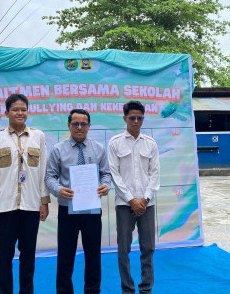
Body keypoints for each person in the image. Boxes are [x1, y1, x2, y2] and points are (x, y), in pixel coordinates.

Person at [0, 93, 50, 294]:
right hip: (5, 207)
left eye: (23, 109)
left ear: (28, 112)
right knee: (4, 256)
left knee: (28, 256)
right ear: (6, 113)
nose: (20, 113)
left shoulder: (38, 137)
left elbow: (43, 171)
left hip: (31, 206)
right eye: (15, 110)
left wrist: (44, 202)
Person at [45, 109, 111, 294]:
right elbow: (49, 177)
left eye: (83, 124)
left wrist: (106, 185)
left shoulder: (99, 148)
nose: (79, 127)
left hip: (92, 210)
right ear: (69, 126)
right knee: (65, 256)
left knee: (93, 255)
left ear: (89, 126)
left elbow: (106, 173)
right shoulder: (58, 149)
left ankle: (93, 291)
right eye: (75, 124)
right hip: (67, 210)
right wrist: (59, 190)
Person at [108, 100, 160, 294]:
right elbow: (114, 174)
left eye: (139, 118)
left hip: (147, 204)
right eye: (132, 118)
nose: (136, 121)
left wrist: (144, 200)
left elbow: (155, 174)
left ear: (143, 119)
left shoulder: (150, 143)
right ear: (125, 118)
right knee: (124, 249)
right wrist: (131, 200)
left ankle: (146, 288)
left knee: (148, 248)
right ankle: (127, 289)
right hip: (124, 204)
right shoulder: (115, 143)